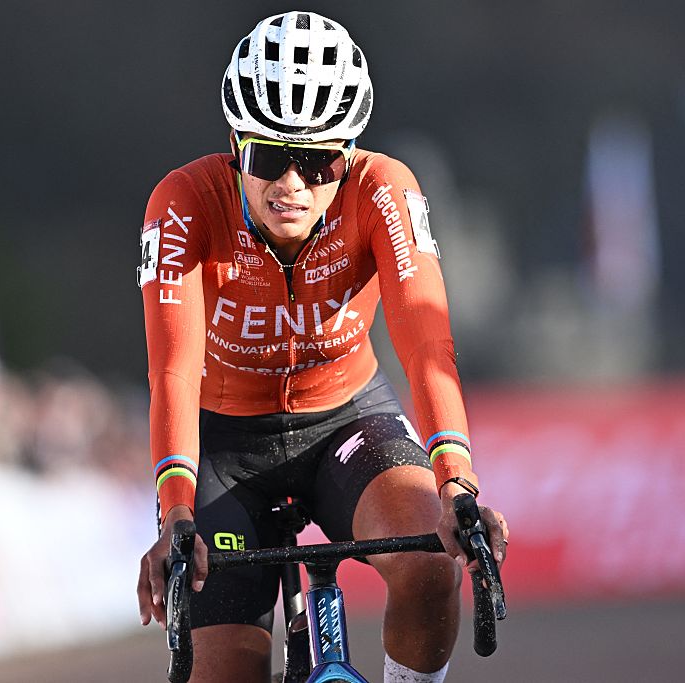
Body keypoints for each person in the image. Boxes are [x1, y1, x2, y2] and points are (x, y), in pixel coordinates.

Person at [135, 11, 509, 683]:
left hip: (346, 419)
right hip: (226, 446)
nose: (292, 186)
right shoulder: (184, 202)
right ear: (235, 143)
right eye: (270, 157)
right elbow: (172, 370)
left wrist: (457, 480)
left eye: (317, 161)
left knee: (430, 568)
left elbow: (427, 346)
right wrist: (176, 512)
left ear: (351, 152)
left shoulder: (384, 189)